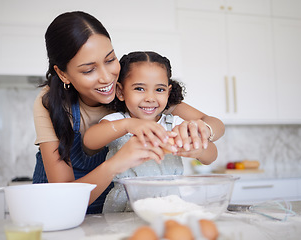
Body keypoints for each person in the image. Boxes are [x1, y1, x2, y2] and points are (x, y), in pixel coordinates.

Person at [32, 11, 225, 214]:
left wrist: (202, 132)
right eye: (89, 70)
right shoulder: (50, 102)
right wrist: (118, 156)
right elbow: (65, 198)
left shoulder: (138, 94)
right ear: (63, 73)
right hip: (60, 208)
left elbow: (213, 124)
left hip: (115, 210)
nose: (107, 78)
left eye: (109, 59)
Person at [83, 51, 218, 212]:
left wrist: (199, 149)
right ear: (120, 91)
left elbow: (211, 156)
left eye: (159, 90)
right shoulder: (117, 121)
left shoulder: (174, 124)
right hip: (124, 206)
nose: (150, 98)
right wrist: (128, 125)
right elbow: (90, 140)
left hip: (169, 203)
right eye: (140, 88)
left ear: (168, 92)